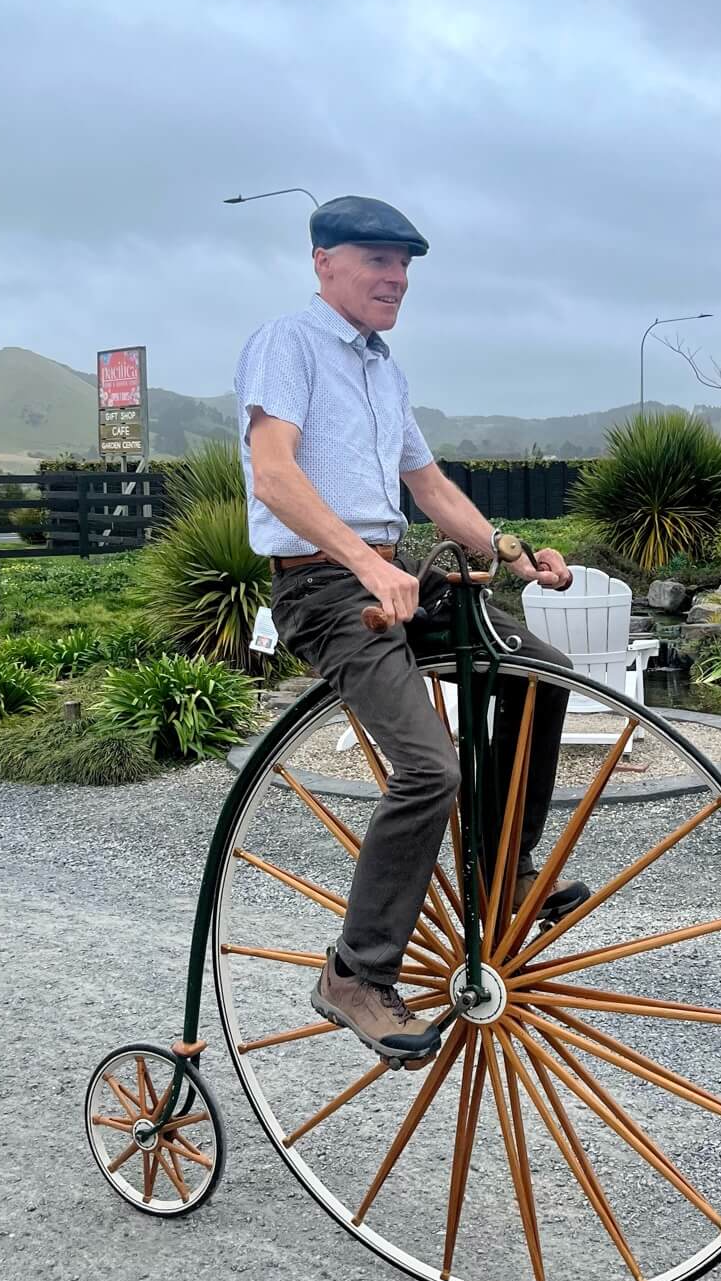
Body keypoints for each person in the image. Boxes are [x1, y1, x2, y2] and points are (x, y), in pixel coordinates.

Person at [234, 195, 583, 1068]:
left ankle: (506, 875)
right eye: (376, 262)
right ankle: (354, 973)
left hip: (390, 577)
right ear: (323, 262)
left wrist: (510, 548)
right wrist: (363, 562)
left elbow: (427, 486)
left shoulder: (383, 369)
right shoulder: (288, 343)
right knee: (430, 766)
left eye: (403, 267)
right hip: (324, 591)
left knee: (543, 671)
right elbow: (273, 477)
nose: (395, 280)